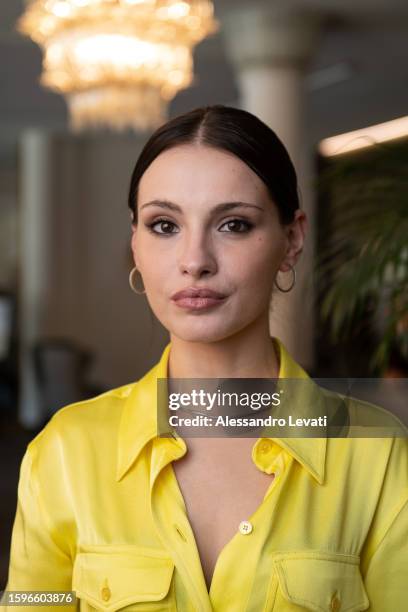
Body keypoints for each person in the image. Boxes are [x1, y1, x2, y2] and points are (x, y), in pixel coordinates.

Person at [3, 105, 407, 611]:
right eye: (164, 225)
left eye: (234, 224)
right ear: (136, 243)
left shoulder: (377, 455)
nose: (195, 261)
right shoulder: (65, 450)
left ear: (292, 240)